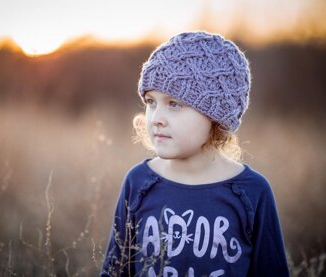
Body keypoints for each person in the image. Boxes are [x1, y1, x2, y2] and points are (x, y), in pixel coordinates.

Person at [100, 31, 289, 277]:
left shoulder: (252, 192)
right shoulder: (138, 183)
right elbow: (115, 272)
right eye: (150, 102)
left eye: (174, 104)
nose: (156, 119)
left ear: (215, 115)